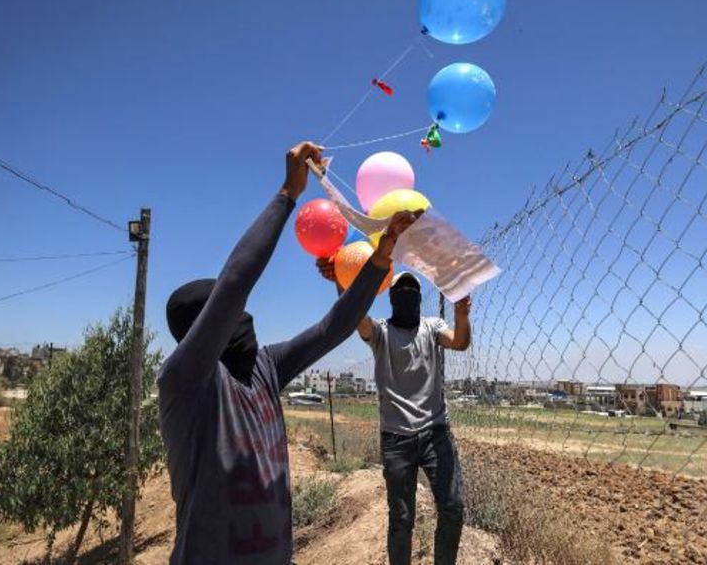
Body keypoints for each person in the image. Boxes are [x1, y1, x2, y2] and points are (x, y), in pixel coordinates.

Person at [157, 141, 420, 565]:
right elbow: (234, 284)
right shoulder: (184, 381)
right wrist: (288, 194)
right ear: (205, 330)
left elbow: (329, 330)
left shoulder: (265, 366)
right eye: (229, 312)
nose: (244, 316)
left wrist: (378, 262)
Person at [317, 260, 472, 565]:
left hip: (436, 434)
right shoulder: (380, 332)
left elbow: (460, 342)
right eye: (401, 289)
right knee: (401, 520)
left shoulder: (432, 326)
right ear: (391, 298)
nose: (408, 293)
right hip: (396, 441)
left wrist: (462, 315)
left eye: (413, 289)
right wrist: (341, 280)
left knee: (453, 507)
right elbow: (354, 315)